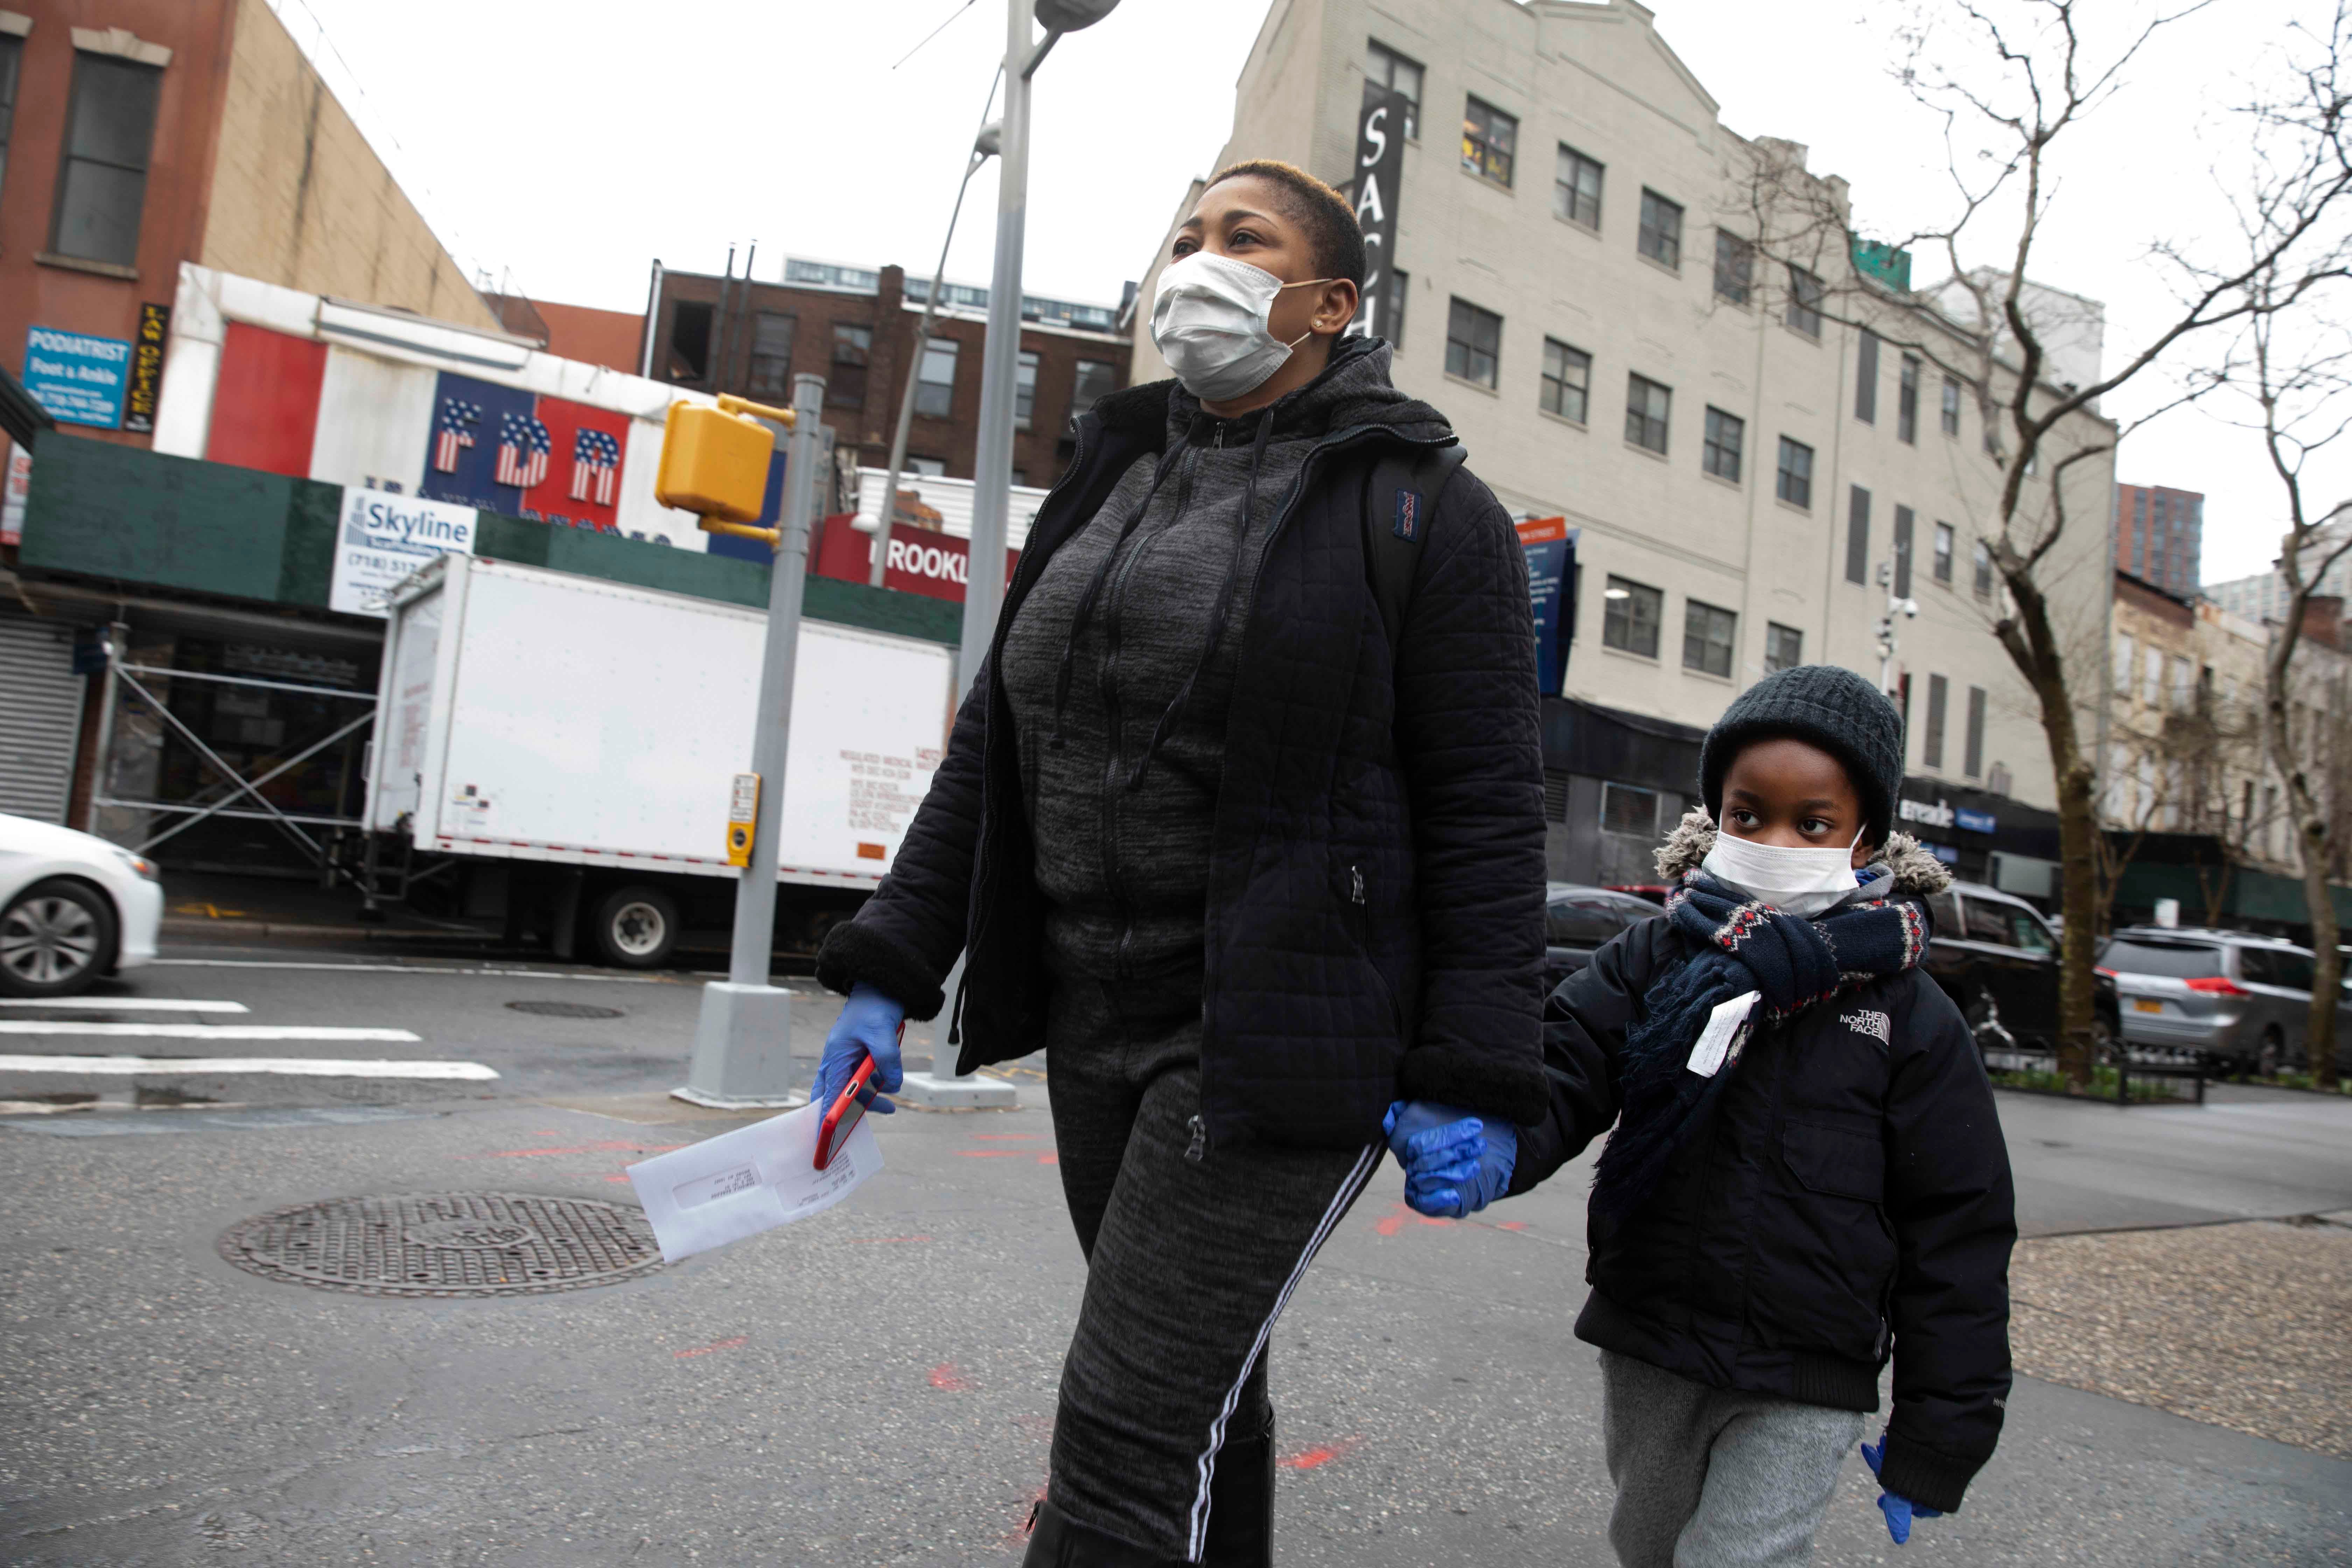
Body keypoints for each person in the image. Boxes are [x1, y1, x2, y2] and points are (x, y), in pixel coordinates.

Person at [809, 159, 1547, 1567]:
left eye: (1242, 238)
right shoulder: (1113, 470)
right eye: (1185, 235)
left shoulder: (1427, 512)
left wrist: (1475, 1068)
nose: (1195, 259)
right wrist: (886, 973)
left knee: (1124, 1440)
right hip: (1095, 1019)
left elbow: (1487, 812)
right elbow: (998, 742)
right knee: (1205, 1388)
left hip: (1274, 1038)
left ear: (1327, 302)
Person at [1398, 665, 2013, 1564]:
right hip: (1652, 1336)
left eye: (1813, 823)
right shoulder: (1658, 952)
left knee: (1739, 1557)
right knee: (1648, 1545)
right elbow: (1566, 1060)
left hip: (1808, 1369)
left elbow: (1960, 1225)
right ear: (1715, 813)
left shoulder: (1911, 1013)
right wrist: (1496, 1134)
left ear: (1866, 835)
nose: (1773, 839)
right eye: (1748, 812)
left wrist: (1943, 1426)